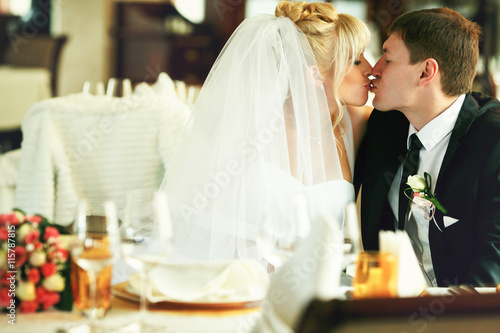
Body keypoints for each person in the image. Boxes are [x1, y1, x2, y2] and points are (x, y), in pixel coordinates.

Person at [161, 1, 372, 261]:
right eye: (357, 61)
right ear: (315, 75)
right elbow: (215, 221)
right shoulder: (253, 124)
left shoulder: (359, 123)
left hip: (325, 285)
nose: (371, 70)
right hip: (248, 275)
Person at [354, 8, 500, 287]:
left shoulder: (493, 140)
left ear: (425, 72)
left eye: (387, 58)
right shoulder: (384, 124)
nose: (375, 70)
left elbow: (495, 257)